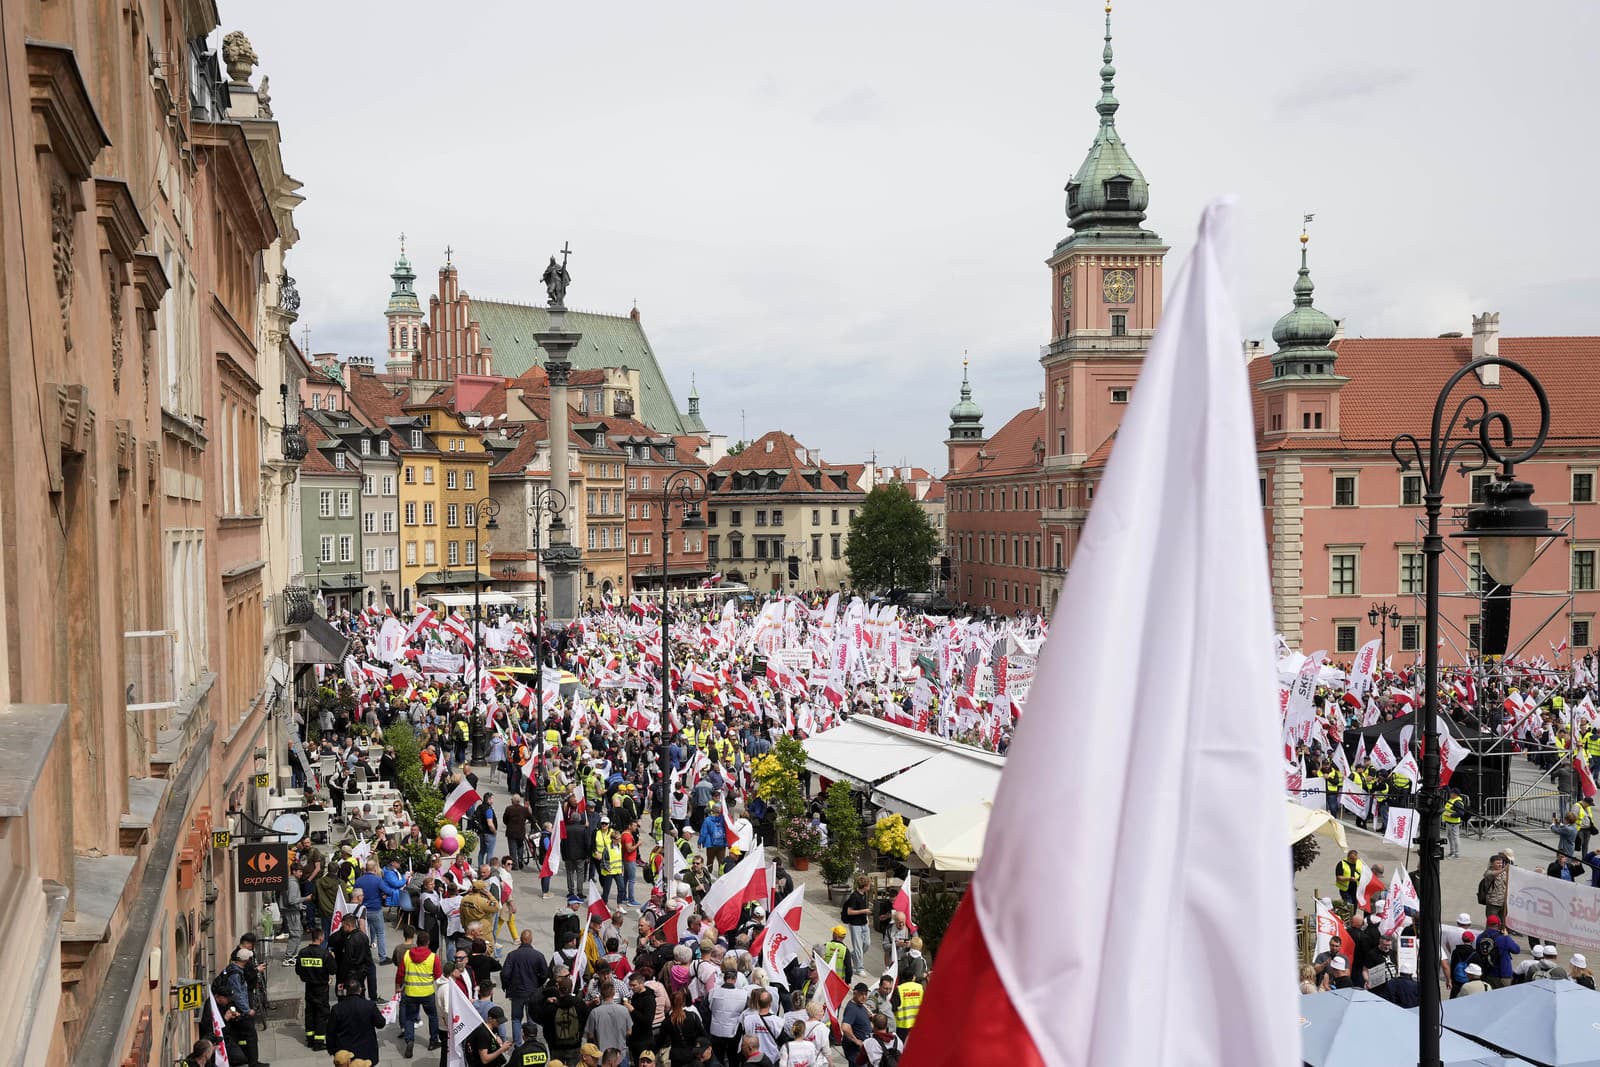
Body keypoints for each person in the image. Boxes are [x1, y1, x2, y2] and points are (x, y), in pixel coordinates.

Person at [399, 931, 445, 1057]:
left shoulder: (407, 955)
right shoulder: (433, 957)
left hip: (410, 992)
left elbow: (400, 973)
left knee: (409, 1018)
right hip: (427, 993)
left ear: (417, 941)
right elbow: (438, 976)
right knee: (433, 1016)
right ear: (428, 943)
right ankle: (433, 1041)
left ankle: (409, 1040)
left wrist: (398, 986)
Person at [295, 924, 336, 1050]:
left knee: (310, 1012)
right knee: (321, 1013)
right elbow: (333, 970)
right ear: (321, 938)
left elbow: (298, 970)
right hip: (321, 988)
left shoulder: (302, 953)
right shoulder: (325, 954)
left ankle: (310, 1039)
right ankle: (319, 1041)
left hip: (309, 987)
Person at [504, 929, 551, 1038]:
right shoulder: (538, 955)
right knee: (532, 1018)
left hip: (516, 993)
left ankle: (518, 1043)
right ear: (531, 940)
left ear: (520, 940)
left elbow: (505, 974)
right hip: (532, 993)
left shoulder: (512, 955)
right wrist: (537, 984)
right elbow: (545, 974)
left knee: (516, 1019)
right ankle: (531, 1040)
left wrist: (508, 986)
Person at [326, 986, 386, 1064]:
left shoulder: (337, 1009)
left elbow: (330, 1032)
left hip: (345, 1055)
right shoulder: (369, 1005)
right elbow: (380, 1024)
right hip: (366, 1053)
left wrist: (333, 1051)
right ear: (360, 990)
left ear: (346, 991)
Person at [583, 978, 632, 1062]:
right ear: (614, 994)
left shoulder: (595, 1012)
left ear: (601, 994)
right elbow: (629, 1032)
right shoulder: (624, 1010)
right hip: (620, 1054)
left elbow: (590, 1035)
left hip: (602, 1056)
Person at [841, 877, 872, 972]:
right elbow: (849, 912)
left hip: (864, 923)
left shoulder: (864, 894)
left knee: (867, 944)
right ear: (865, 886)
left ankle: (853, 955)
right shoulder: (854, 896)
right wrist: (864, 911)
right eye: (869, 885)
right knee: (858, 946)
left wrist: (866, 917)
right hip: (855, 924)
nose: (870, 887)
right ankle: (859, 968)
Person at [839, 984, 872, 1067]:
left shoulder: (861, 1005)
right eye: (861, 994)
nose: (864, 997)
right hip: (855, 1050)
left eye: (865, 994)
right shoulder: (852, 1008)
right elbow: (845, 1027)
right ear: (855, 993)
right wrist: (856, 1040)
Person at [1479, 853, 1510, 926]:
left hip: (1503, 903)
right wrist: (1504, 869)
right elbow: (1493, 874)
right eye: (1498, 863)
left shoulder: (1504, 873)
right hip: (1493, 902)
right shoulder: (1488, 873)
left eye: (1501, 863)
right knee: (1492, 922)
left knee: (1502, 923)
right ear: (1492, 864)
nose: (1500, 865)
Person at [1442, 787, 1470, 859]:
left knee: (1455, 838)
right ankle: (1452, 852)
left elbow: (1461, 813)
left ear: (1455, 794)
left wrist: (1450, 815)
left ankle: (1457, 854)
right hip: (1449, 822)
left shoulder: (1457, 802)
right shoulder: (1452, 799)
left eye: (1451, 793)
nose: (1450, 794)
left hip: (1454, 823)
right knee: (1450, 837)